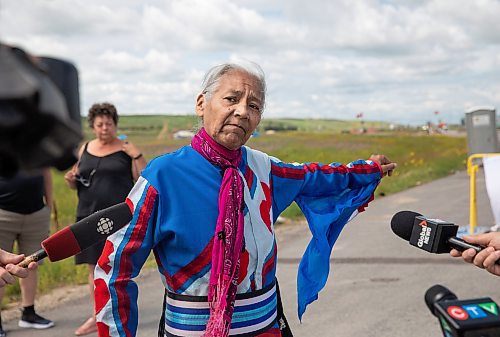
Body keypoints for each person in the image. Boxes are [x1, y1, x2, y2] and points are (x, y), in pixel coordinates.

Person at [94, 62, 397, 337]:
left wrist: (366, 169)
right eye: (231, 99)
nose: (242, 111)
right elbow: (114, 268)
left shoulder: (264, 169)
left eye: (254, 105)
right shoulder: (164, 175)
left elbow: (316, 177)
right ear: (202, 104)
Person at [64, 102, 147, 336]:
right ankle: (96, 316)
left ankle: (118, 313)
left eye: (108, 124)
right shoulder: (85, 148)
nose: (104, 128)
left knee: (116, 267)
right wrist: (71, 179)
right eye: (99, 124)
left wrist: (137, 155)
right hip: (88, 217)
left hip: (117, 218)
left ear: (115, 124)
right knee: (93, 269)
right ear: (93, 126)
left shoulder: (127, 149)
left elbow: (144, 178)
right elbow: (75, 180)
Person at [0, 169, 54, 336]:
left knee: (31, 264)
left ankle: (28, 313)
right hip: (3, 214)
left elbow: (46, 172)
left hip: (36, 213)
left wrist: (49, 207)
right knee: (1, 269)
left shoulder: (34, 146)